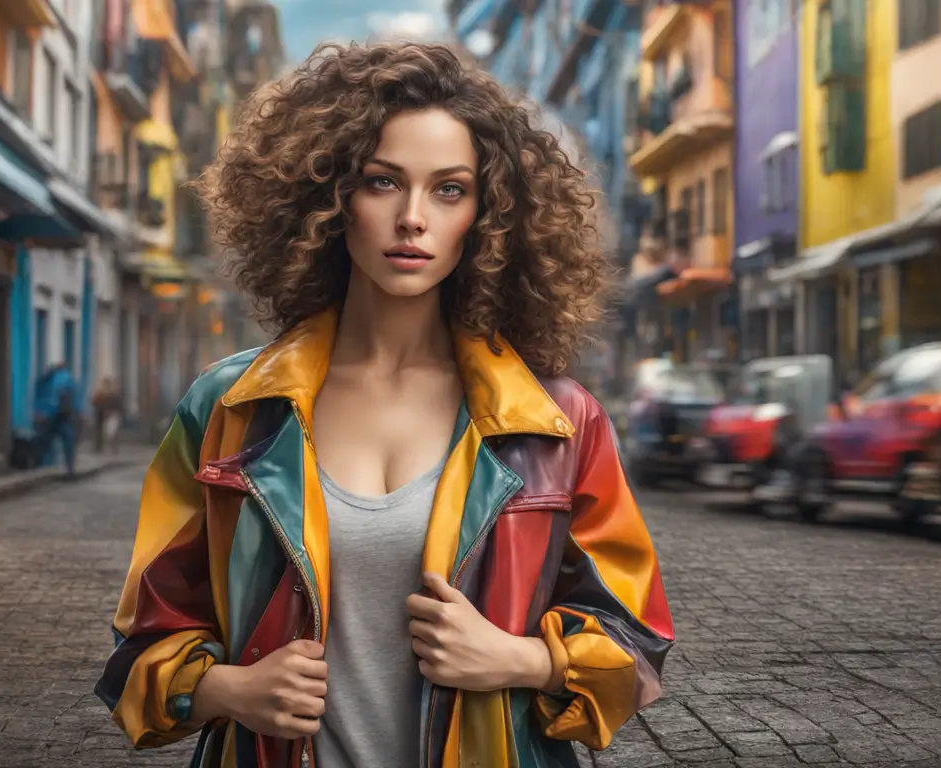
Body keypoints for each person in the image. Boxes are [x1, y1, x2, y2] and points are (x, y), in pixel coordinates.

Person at [95, 43, 673, 767]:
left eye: (449, 190)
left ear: (491, 215)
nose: (412, 218)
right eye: (381, 182)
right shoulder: (230, 408)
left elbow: (635, 641)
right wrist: (228, 690)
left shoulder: (557, 422)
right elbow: (140, 646)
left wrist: (524, 661)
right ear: (331, 199)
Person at [34, 362, 79, 476]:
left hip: (49, 414)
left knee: (46, 440)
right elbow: (71, 394)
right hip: (64, 414)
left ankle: (46, 464)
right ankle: (69, 467)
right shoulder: (67, 378)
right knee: (68, 442)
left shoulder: (46, 379)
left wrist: (40, 412)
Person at [91, 377, 123, 455]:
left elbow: (117, 404)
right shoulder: (101, 394)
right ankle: (100, 446)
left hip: (109, 414)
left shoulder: (110, 394)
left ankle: (107, 446)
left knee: (111, 432)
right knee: (104, 431)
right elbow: (95, 403)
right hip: (102, 414)